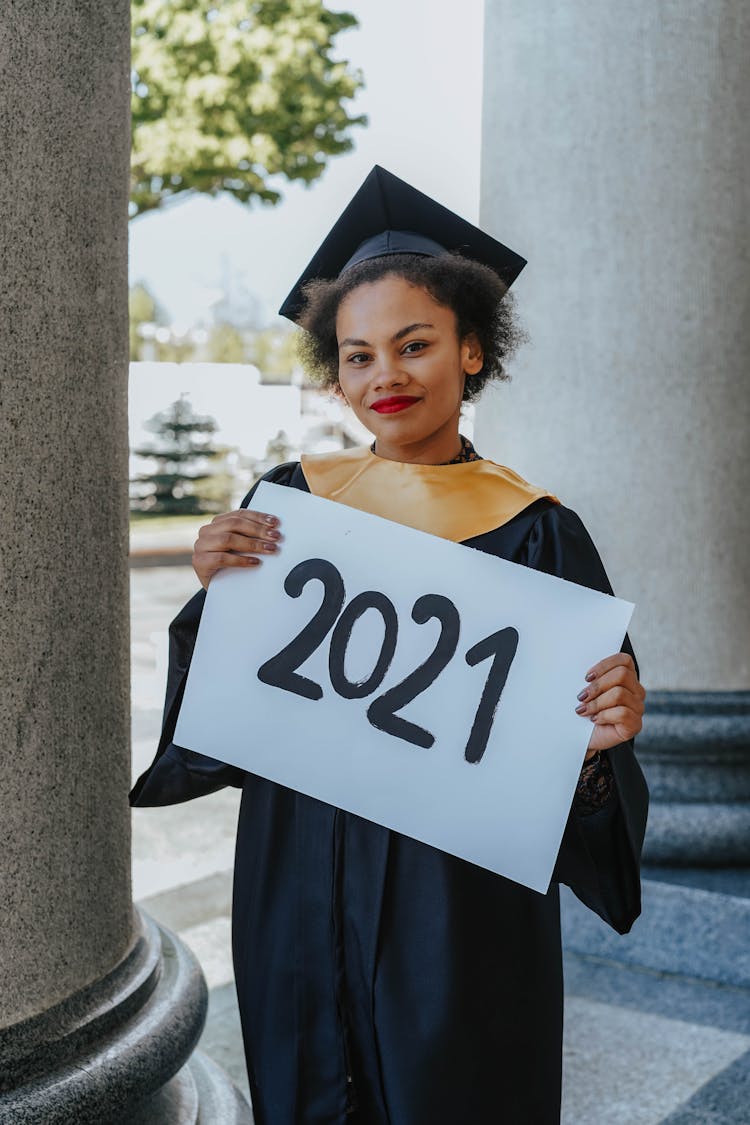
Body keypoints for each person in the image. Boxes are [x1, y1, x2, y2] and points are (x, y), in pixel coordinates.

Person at [130, 167, 648, 1125]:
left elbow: (580, 755)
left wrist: (599, 746)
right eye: (358, 356)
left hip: (456, 909)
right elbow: (226, 728)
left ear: (474, 353)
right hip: (296, 881)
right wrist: (216, 595)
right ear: (337, 375)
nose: (386, 377)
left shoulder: (536, 530)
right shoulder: (291, 502)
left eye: (415, 346)